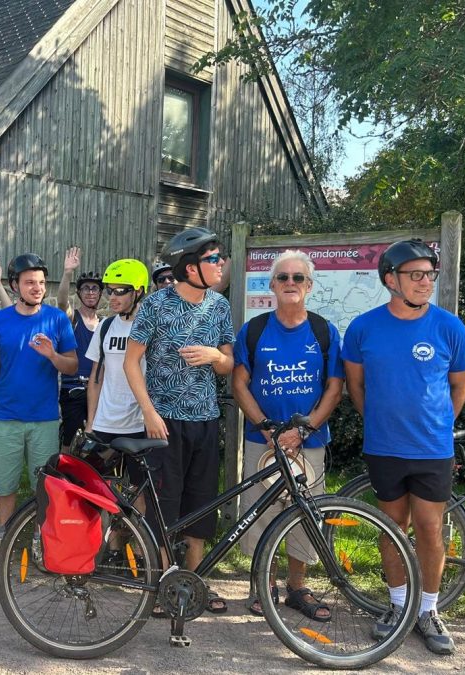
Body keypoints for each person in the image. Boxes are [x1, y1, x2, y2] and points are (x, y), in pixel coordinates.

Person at [343, 239, 465, 655]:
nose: (425, 282)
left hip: (432, 449)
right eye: (415, 275)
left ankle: (428, 610)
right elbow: (355, 385)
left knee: (431, 530)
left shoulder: (449, 326)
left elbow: (461, 382)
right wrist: (379, 421)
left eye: (430, 275)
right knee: (391, 528)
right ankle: (399, 606)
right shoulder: (363, 327)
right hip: (384, 447)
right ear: (390, 280)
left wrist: (440, 423)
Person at [124, 227, 234, 613]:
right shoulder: (155, 306)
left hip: (205, 419)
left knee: (201, 503)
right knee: (162, 506)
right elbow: (130, 361)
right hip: (163, 422)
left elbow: (229, 365)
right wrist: (149, 412)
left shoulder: (219, 306)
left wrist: (216, 358)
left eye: (219, 258)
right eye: (213, 259)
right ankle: (160, 585)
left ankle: (196, 581)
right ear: (190, 267)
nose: (220, 264)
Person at [230, 250, 344, 619]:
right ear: (272, 286)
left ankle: (298, 588)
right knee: (260, 513)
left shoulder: (324, 330)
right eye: (283, 278)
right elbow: (240, 383)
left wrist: (303, 428)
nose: (290, 284)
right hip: (261, 440)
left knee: (304, 514)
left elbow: (334, 388)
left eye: (298, 278)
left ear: (309, 286)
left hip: (307, 442)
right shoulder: (255, 329)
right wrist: (265, 427)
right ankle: (262, 586)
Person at [0, 253, 78, 570]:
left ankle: (39, 544)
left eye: (41, 282)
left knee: (43, 488)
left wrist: (52, 356)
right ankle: (4, 543)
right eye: (30, 282)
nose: (37, 288)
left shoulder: (57, 319)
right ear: (15, 285)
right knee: (4, 486)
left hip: (44, 419)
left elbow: (72, 365)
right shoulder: (0, 320)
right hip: (5, 418)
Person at [84, 258, 149, 475]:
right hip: (105, 422)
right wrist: (91, 422)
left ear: (138, 291)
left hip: (139, 424)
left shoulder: (150, 326)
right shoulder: (106, 326)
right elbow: (96, 376)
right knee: (99, 489)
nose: (112, 297)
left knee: (140, 489)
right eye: (109, 291)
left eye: (120, 291)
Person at [56, 247, 102, 451]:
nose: (90, 292)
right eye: (86, 289)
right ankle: (64, 477)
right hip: (73, 387)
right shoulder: (73, 318)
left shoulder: (106, 323)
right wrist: (68, 273)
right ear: (80, 293)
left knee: (100, 441)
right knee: (69, 442)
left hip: (99, 389)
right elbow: (61, 302)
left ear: (101, 293)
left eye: (95, 289)